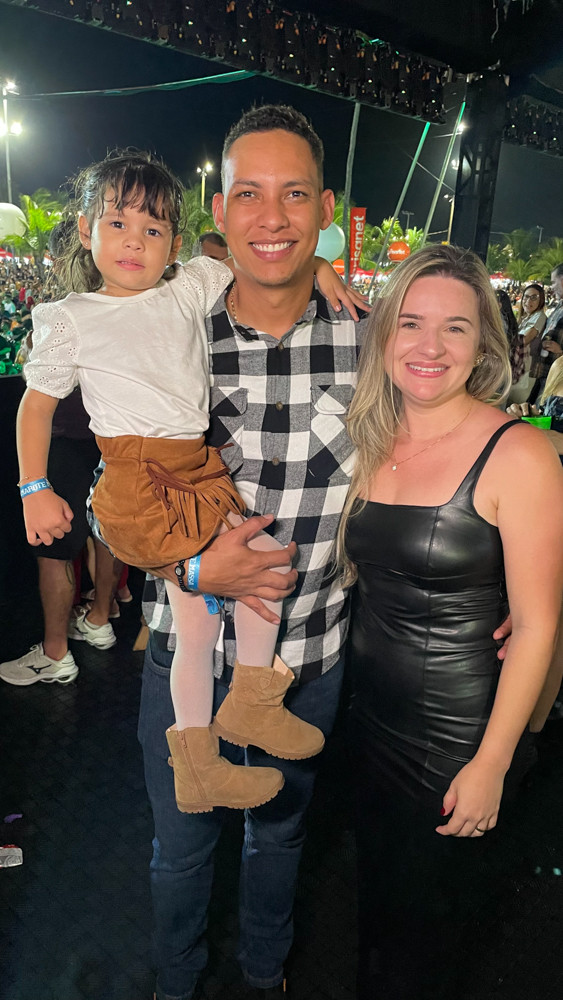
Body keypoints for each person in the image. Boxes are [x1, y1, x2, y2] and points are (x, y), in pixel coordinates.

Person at [17, 149, 361, 817]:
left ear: (173, 244)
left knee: (234, 591)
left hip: (195, 469)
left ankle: (228, 724)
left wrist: (318, 265)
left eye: (152, 230)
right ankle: (219, 739)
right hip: (138, 477)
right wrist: (35, 488)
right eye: (117, 224)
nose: (133, 243)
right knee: (220, 600)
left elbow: (254, 261)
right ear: (86, 231)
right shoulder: (72, 316)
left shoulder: (187, 287)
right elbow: (36, 407)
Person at [337, 244, 563, 999]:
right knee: (374, 911)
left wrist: (492, 762)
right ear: (384, 336)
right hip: (367, 719)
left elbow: (537, 626)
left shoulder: (519, 453)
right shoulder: (371, 437)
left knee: (428, 939)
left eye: (454, 328)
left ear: (483, 344)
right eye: (410, 323)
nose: (429, 346)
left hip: (457, 737)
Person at [528, 263, 563, 403]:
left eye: (554, 282)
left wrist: (560, 351)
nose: (552, 287)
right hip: (545, 372)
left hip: (558, 378)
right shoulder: (559, 306)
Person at [507, 282, 546, 404]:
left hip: (525, 370)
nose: (528, 301)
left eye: (534, 297)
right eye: (526, 297)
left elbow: (525, 340)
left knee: (514, 404)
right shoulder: (525, 317)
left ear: (541, 300)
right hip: (516, 368)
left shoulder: (540, 317)